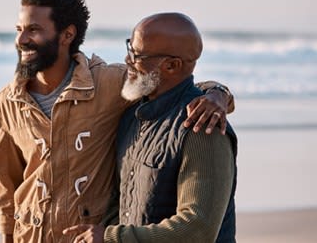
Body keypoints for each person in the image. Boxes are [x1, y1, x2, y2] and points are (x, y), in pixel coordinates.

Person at [0, 0, 234, 243]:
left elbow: (176, 87)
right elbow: (6, 185)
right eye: (19, 29)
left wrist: (217, 94)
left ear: (67, 35)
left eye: (34, 29)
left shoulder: (111, 85)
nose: (21, 39)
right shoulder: (8, 101)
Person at [63, 13, 238, 243]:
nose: (127, 60)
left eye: (137, 54)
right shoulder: (132, 117)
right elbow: (123, 205)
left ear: (172, 66)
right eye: (129, 47)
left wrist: (110, 237)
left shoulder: (203, 127)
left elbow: (197, 229)